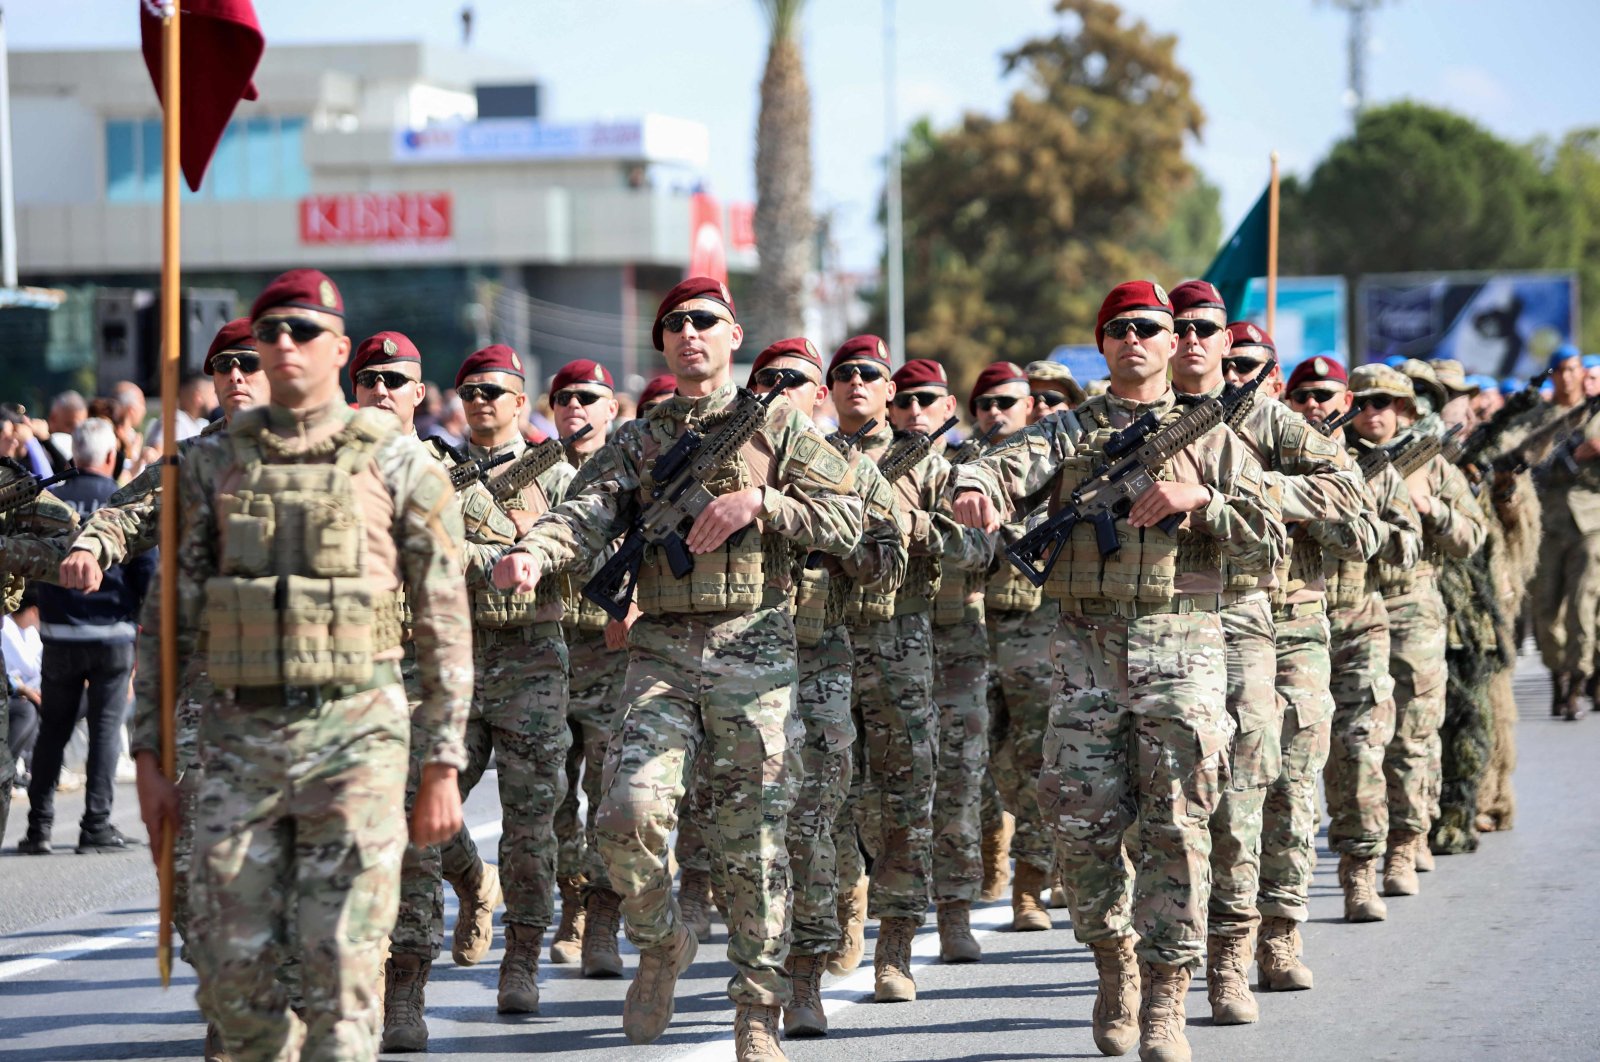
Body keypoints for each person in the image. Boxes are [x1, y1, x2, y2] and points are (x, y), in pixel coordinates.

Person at [491, 277, 862, 1061]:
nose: (689, 332)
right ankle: (661, 939)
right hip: (659, 649)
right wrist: (530, 552)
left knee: (753, 842)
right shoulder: (638, 437)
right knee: (623, 815)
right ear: (661, 344)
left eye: (705, 321)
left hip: (755, 648)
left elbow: (850, 520)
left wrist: (763, 504)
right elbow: (585, 513)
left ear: (732, 336)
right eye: (675, 324)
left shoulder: (780, 426)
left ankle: (757, 1011)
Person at [127, 269, 472, 1059]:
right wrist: (148, 754)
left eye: (303, 331)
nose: (282, 346)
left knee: (342, 981)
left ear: (339, 350)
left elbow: (445, 618)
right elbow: (168, 617)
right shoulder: (210, 464)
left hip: (356, 740)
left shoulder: (398, 461)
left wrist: (443, 760)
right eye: (268, 332)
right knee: (231, 981)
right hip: (238, 741)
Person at [950, 280, 1281, 1061]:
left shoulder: (1216, 436)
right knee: (1081, 830)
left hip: (1182, 646)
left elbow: (1269, 539)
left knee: (1180, 827)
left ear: (1176, 344)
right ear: (1102, 345)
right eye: (1119, 328)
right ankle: (1114, 964)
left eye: (1150, 328)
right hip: (1084, 654)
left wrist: (1200, 501)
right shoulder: (1067, 432)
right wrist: (974, 485)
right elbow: (1002, 465)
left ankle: (1166, 997)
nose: (1135, 339)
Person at [59, 318, 272, 1059]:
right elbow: (126, 513)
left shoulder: (324, 456)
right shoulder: (189, 462)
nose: (238, 376)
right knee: (188, 866)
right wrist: (91, 546)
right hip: (207, 694)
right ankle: (228, 995)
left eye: (251, 363)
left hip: (301, 695)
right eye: (223, 366)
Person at [1170, 297, 1367, 1013]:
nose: (1193, 342)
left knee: (1274, 786)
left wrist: (1249, 493)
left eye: (1209, 333)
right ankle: (1173, 951)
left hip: (1280, 623)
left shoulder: (1270, 422)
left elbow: (1351, 501)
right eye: (1179, 328)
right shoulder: (1149, 417)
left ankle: (1270, 935)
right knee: (1181, 795)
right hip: (1175, 620)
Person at [824, 334, 987, 1004]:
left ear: (888, 390)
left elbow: (979, 546)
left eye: (871, 375)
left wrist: (916, 527)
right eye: (845, 375)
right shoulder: (811, 459)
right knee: (827, 794)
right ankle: (843, 899)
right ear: (828, 390)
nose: (858, 383)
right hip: (825, 645)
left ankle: (896, 949)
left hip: (900, 644)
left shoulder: (925, 464)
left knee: (904, 799)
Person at [752, 338, 904, 1036]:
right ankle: (756, 959)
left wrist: (826, 539)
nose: (784, 389)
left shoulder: (846, 469)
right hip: (734, 665)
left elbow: (888, 558)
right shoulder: (726, 464)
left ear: (818, 398)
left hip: (818, 662)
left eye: (799, 381)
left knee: (812, 818)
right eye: (770, 379)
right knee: (748, 828)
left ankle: (804, 975)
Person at [427, 342, 576, 1016]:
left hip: (531, 662)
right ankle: (469, 883)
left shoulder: (560, 474)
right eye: (471, 390)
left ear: (521, 402)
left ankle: (521, 957)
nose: (482, 400)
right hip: (453, 659)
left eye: (495, 390)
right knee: (422, 806)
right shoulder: (433, 474)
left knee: (530, 824)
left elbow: (586, 547)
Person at [1282, 358, 1415, 928]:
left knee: (1359, 753)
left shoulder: (1372, 467)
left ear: (1346, 404)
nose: (1316, 405)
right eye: (1303, 395)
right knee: (1290, 766)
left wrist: (1337, 517)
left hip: (1357, 624)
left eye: (1327, 396)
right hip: (1287, 628)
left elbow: (1404, 545)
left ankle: (1360, 870)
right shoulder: (1268, 460)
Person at [1346, 364, 1485, 898]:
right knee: (1359, 740)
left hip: (1411, 605)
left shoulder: (1431, 463)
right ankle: (1366, 844)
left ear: (1405, 410)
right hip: (1353, 607)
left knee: (1412, 733)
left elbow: (1471, 536)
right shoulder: (1337, 458)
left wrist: (1430, 506)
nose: (1373, 411)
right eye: (1364, 401)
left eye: (1384, 402)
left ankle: (1406, 840)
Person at [889, 358, 993, 963]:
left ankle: (954, 913)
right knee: (880, 793)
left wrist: (918, 528)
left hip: (956, 649)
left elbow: (984, 549)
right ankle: (876, 919)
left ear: (949, 406)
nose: (914, 411)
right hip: (881, 646)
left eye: (926, 400)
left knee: (957, 786)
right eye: (902, 400)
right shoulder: (862, 468)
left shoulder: (966, 473)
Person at [19, 418, 156, 855]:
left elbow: (32, 565)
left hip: (58, 633)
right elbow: (147, 573)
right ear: (111, 457)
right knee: (104, 729)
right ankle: (95, 824)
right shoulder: (120, 506)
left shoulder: (50, 501)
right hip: (113, 635)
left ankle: (38, 827)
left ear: (75, 455)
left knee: (53, 729)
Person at [969, 360, 1062, 933]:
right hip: (969, 632)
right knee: (979, 764)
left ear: (1030, 408)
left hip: (1036, 630)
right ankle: (991, 848)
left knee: (1035, 762)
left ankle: (1030, 885)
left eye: (1007, 402)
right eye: (985, 404)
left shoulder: (1055, 469)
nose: (995, 413)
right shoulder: (961, 471)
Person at [545, 359, 631, 980]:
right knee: (549, 796)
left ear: (613, 408)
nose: (574, 408)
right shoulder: (533, 474)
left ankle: (601, 917)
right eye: (563, 398)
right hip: (546, 651)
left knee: (606, 794)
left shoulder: (636, 472)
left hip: (613, 653)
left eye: (587, 398)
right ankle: (569, 903)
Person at [1528, 344, 1600, 717]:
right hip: (1546, 524)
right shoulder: (1539, 417)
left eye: (1574, 369)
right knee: (1545, 609)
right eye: (1561, 370)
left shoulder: (1596, 413)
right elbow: (1522, 458)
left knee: (1583, 604)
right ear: (1553, 374)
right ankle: (1557, 670)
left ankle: (1577, 681)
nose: (1569, 376)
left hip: (1590, 521)